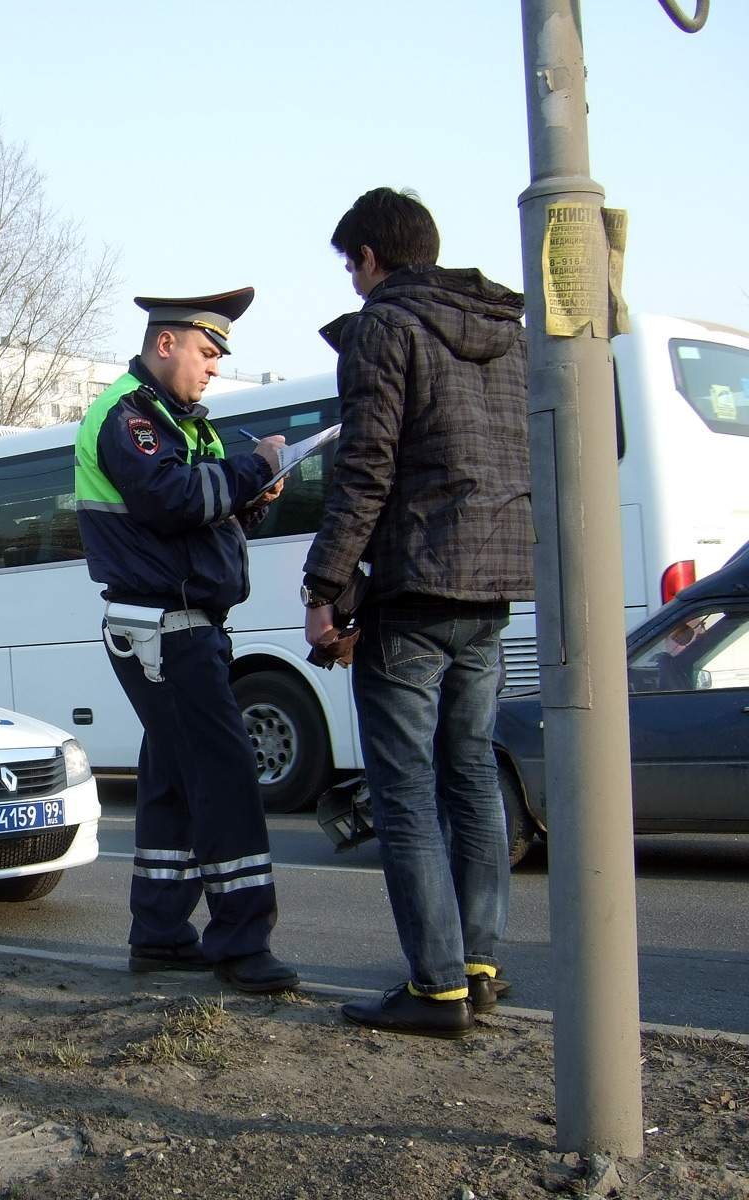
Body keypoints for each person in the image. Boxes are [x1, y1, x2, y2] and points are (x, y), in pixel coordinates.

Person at [302, 188, 533, 1038]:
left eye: (350, 266)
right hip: (493, 588)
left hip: (415, 591)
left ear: (370, 258)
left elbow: (365, 469)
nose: (352, 285)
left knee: (403, 793)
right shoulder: (505, 335)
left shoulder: (382, 330)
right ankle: (478, 964)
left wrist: (324, 588)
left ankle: (434, 987)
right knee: (470, 777)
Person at [74, 288, 298, 994]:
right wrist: (256, 468)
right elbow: (172, 502)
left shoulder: (181, 422)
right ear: (165, 343)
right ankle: (240, 942)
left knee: (172, 782)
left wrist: (250, 501)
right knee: (226, 778)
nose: (213, 371)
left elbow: (202, 521)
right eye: (206, 354)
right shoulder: (129, 417)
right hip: (165, 631)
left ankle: (163, 935)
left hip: (177, 627)